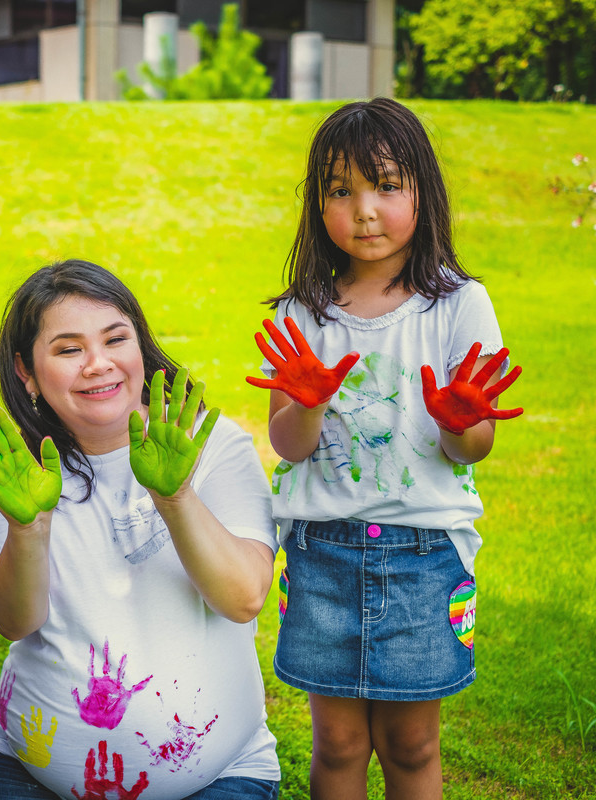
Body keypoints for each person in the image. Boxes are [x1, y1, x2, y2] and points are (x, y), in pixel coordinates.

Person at [245, 97, 523, 799]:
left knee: (411, 744)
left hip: (425, 555)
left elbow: (472, 448)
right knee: (337, 745)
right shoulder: (300, 312)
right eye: (341, 190)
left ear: (423, 192)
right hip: (321, 549)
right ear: (318, 205)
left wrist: (462, 420)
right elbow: (289, 444)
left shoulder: (461, 304)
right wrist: (304, 405)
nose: (364, 209)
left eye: (386, 185)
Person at [0, 260, 282, 800]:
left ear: (141, 345)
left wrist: (175, 497)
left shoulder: (210, 444)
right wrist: (30, 526)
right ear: (27, 372)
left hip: (220, 775)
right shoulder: (19, 469)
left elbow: (245, 596)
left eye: (116, 339)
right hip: (26, 767)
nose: (98, 364)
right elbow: (16, 622)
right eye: (68, 350)